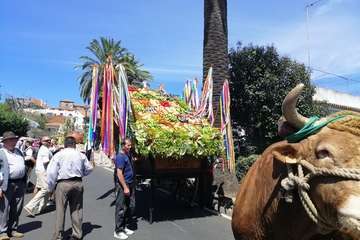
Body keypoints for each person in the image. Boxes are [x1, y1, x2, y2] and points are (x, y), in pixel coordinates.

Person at [47, 136, 94, 240]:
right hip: (77, 182)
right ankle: (77, 234)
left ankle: (58, 236)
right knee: (76, 209)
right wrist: (81, 174)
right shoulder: (81, 155)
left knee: (60, 210)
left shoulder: (59, 155)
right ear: (74, 144)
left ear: (65, 145)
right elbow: (89, 168)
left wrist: (50, 188)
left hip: (63, 183)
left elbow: (51, 173)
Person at [0, 131, 26, 239]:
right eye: (11, 139)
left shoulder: (19, 151)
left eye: (14, 139)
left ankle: (13, 229)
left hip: (20, 183)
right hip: (7, 183)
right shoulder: (1, 153)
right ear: (5, 142)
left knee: (17, 208)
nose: (14, 141)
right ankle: (3, 232)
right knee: (4, 209)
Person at [24, 136, 53, 216]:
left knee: (41, 188)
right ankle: (31, 206)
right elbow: (45, 162)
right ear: (42, 142)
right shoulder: (45, 150)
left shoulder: (44, 149)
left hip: (41, 170)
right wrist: (54, 160)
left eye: (50, 140)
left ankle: (40, 207)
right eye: (47, 140)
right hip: (43, 171)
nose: (49, 141)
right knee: (46, 189)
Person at [114, 138, 136, 240]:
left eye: (130, 145)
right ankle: (118, 230)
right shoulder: (120, 157)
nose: (130, 147)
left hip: (130, 184)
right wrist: (125, 187)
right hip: (124, 186)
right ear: (123, 145)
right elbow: (119, 173)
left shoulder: (128, 155)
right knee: (121, 208)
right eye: (128, 145)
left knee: (130, 206)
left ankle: (125, 226)